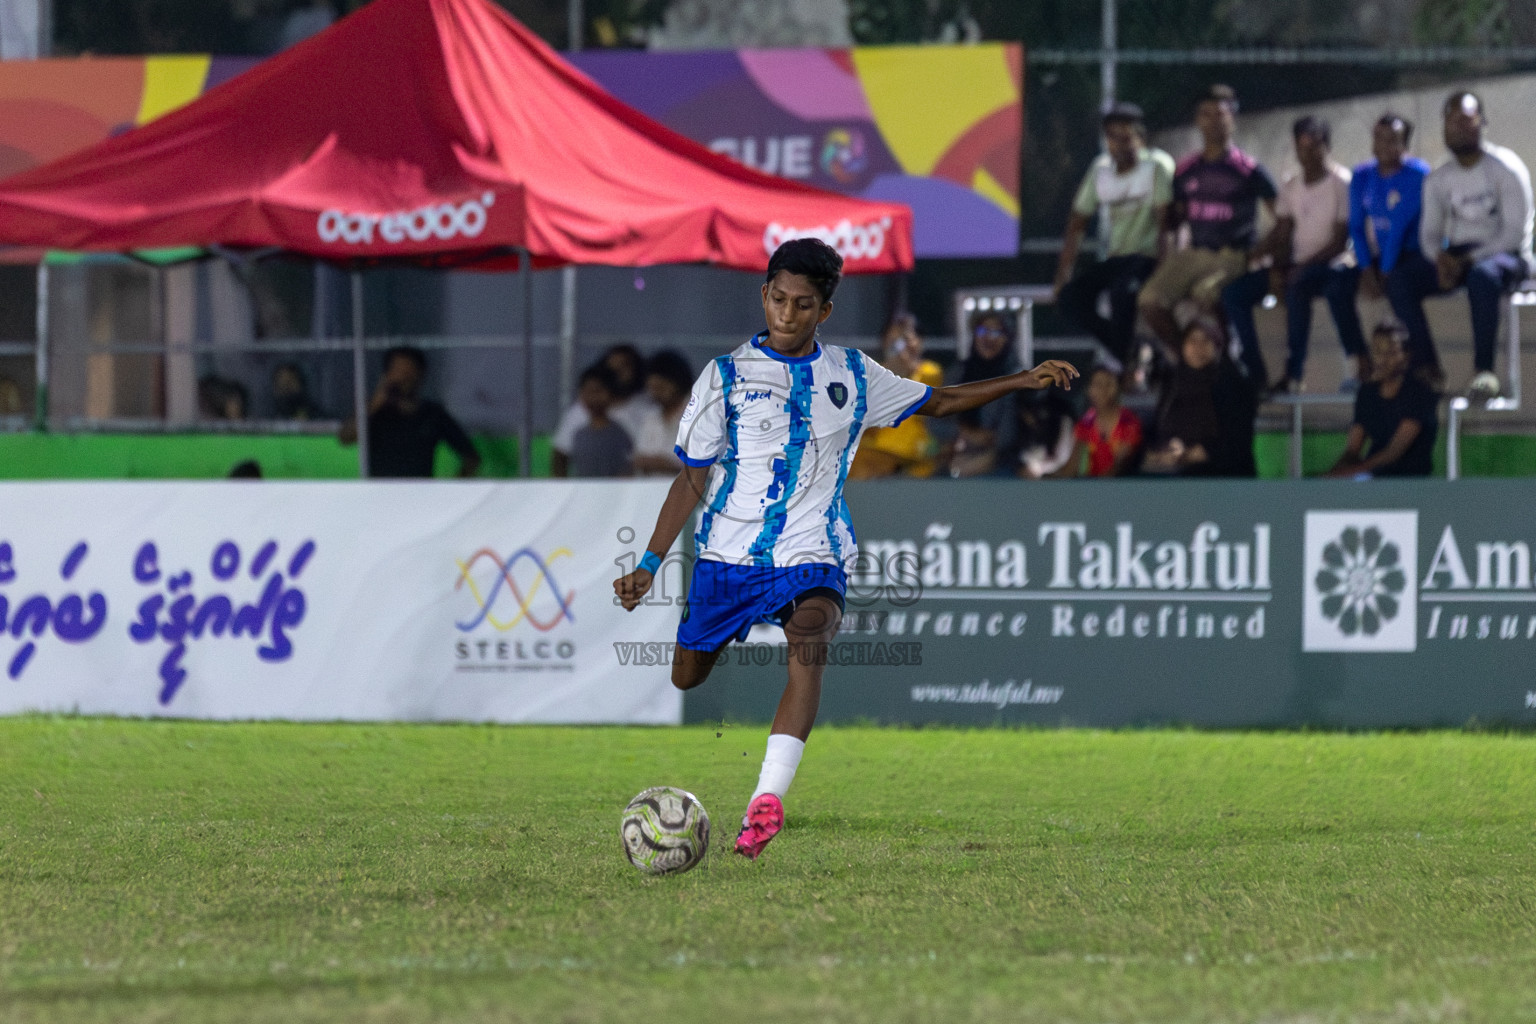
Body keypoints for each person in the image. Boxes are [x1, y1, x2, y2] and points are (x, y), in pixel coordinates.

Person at [612, 238, 1077, 861]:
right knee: (687, 675)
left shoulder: (853, 374)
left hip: (816, 547)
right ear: (764, 296)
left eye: (803, 305)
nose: (787, 314)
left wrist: (1022, 380)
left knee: (810, 641)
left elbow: (936, 401)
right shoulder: (723, 378)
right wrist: (649, 563)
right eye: (778, 299)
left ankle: (766, 801)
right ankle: (722, 646)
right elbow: (692, 475)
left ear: (823, 312)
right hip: (727, 556)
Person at [1387, 90, 1533, 399]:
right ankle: (1427, 366)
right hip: (1458, 255)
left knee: (1483, 276)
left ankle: (1484, 372)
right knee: (1400, 279)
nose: (1459, 127)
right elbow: (1429, 234)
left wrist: (1467, 261)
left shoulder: (1506, 168)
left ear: (1482, 122)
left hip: (1505, 256)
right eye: (1452, 121)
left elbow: (1513, 234)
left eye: (1466, 120)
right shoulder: (1439, 177)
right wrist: (1439, 259)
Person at [1137, 84, 1278, 357]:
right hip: (1194, 253)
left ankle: (1228, 359)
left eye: (1220, 114)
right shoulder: (1186, 169)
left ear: (1232, 120)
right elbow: (1173, 222)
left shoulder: (1248, 170)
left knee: (1207, 294)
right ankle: (1188, 359)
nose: (1214, 121)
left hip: (1232, 254)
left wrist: (1259, 254)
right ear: (1197, 120)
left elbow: (1283, 217)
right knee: (1149, 300)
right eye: (1206, 114)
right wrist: (1165, 234)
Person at [1222, 116, 1355, 393]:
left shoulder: (1341, 183)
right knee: (1233, 294)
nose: (1307, 154)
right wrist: (1257, 257)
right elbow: (1282, 232)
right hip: (1295, 266)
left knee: (1298, 286)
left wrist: (1300, 267)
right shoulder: (1291, 187)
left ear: (1326, 146)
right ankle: (1253, 370)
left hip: (1330, 265)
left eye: (1314, 146)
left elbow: (1341, 241)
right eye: (1301, 147)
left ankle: (1294, 373)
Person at [1053, 102, 1175, 368]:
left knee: (1122, 294)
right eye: (1113, 138)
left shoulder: (1156, 165)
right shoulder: (1101, 170)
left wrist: (1163, 271)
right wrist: (1063, 276)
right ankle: (1134, 353)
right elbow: (1077, 223)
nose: (1120, 145)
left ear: (1139, 138)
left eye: (1126, 138)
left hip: (1147, 255)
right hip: (1117, 257)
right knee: (1070, 300)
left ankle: (1126, 366)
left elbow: (1166, 223)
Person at [1346, 114, 1430, 377]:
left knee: (1398, 285)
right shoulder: (1362, 176)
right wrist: (1365, 267)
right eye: (1379, 138)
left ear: (1404, 145)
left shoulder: (1417, 174)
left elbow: (1399, 226)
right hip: (1380, 255)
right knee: (1341, 286)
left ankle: (1420, 364)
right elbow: (1357, 227)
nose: (1384, 145)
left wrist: (1383, 271)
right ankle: (1360, 361)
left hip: (1415, 252)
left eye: (1392, 140)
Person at [339, 345, 481, 478]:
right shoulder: (375, 411)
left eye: (409, 373)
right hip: (379, 496)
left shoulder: (432, 414)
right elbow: (346, 438)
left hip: (420, 497)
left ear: (420, 376)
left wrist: (451, 494)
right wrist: (375, 403)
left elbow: (471, 458)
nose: (403, 378)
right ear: (387, 375)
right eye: (398, 372)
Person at [1143, 318, 1257, 477]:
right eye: (1192, 341)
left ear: (1217, 345)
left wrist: (1190, 455)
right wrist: (1166, 450)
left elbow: (1236, 441)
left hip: (1224, 477)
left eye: (1206, 341)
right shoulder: (1173, 382)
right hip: (1177, 477)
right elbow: (1161, 427)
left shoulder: (1232, 383)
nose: (1198, 348)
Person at [1326, 323, 1438, 478]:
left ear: (1406, 355)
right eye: (1378, 352)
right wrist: (1330, 477)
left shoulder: (1419, 393)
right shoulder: (1367, 393)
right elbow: (1352, 449)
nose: (1383, 360)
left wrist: (1351, 472)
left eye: (1391, 352)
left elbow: (1394, 452)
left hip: (1411, 483)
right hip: (1372, 479)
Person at [849, 313, 945, 479]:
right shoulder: (868, 375)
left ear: (920, 342)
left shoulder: (930, 371)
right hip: (874, 456)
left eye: (906, 339)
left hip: (913, 457)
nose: (900, 347)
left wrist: (906, 369)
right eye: (894, 341)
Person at [551, 343, 658, 477]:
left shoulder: (647, 410)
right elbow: (561, 454)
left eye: (624, 366)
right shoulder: (580, 411)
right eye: (612, 367)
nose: (617, 372)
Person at [947, 312, 1021, 477]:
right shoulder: (959, 373)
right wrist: (967, 434)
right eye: (982, 331)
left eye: (996, 332)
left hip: (1002, 462)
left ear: (1008, 339)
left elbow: (1008, 436)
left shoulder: (1016, 378)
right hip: (957, 455)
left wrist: (983, 452)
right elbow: (935, 421)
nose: (988, 338)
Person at [1057, 366, 1142, 478]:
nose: (1103, 390)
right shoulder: (1085, 424)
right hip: (1092, 487)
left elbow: (1120, 465)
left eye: (1108, 385)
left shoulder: (1129, 422)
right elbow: (1071, 468)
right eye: (1097, 385)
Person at [630, 351, 694, 476]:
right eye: (653, 388)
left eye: (661, 388)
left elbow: (710, 465)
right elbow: (639, 458)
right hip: (650, 490)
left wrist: (668, 464)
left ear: (678, 383)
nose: (656, 393)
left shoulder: (700, 416)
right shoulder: (650, 418)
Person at [568, 363, 635, 478]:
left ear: (611, 394)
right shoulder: (579, 434)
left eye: (598, 391)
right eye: (588, 392)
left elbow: (629, 469)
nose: (593, 398)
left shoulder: (620, 433)